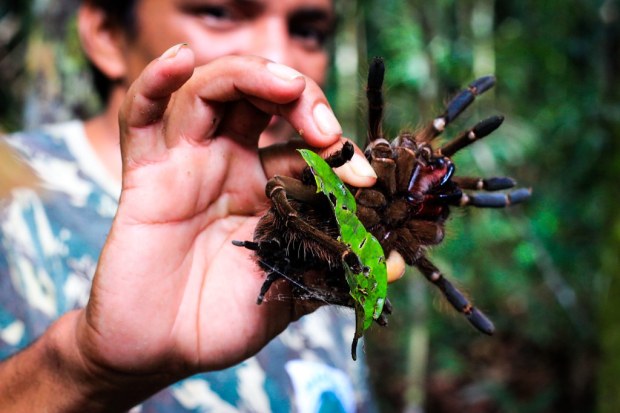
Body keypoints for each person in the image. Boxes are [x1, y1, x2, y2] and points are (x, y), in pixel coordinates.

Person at [0, 0, 404, 411]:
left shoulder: (326, 230)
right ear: (106, 33)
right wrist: (82, 372)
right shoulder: (10, 189)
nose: (281, 59)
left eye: (308, 31)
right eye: (218, 13)